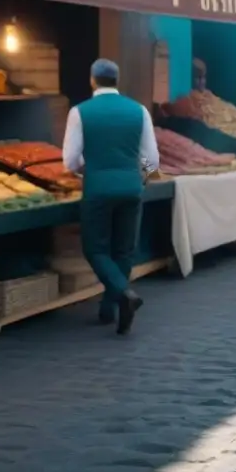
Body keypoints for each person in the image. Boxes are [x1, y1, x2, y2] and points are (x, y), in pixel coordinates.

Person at [62, 58, 159, 334]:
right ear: (118, 80)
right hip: (131, 187)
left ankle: (123, 294)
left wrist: (90, 170)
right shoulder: (139, 111)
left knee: (95, 250)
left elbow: (69, 161)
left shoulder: (80, 112)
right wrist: (141, 175)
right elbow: (151, 159)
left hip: (98, 189)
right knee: (123, 250)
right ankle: (109, 310)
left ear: (92, 80)